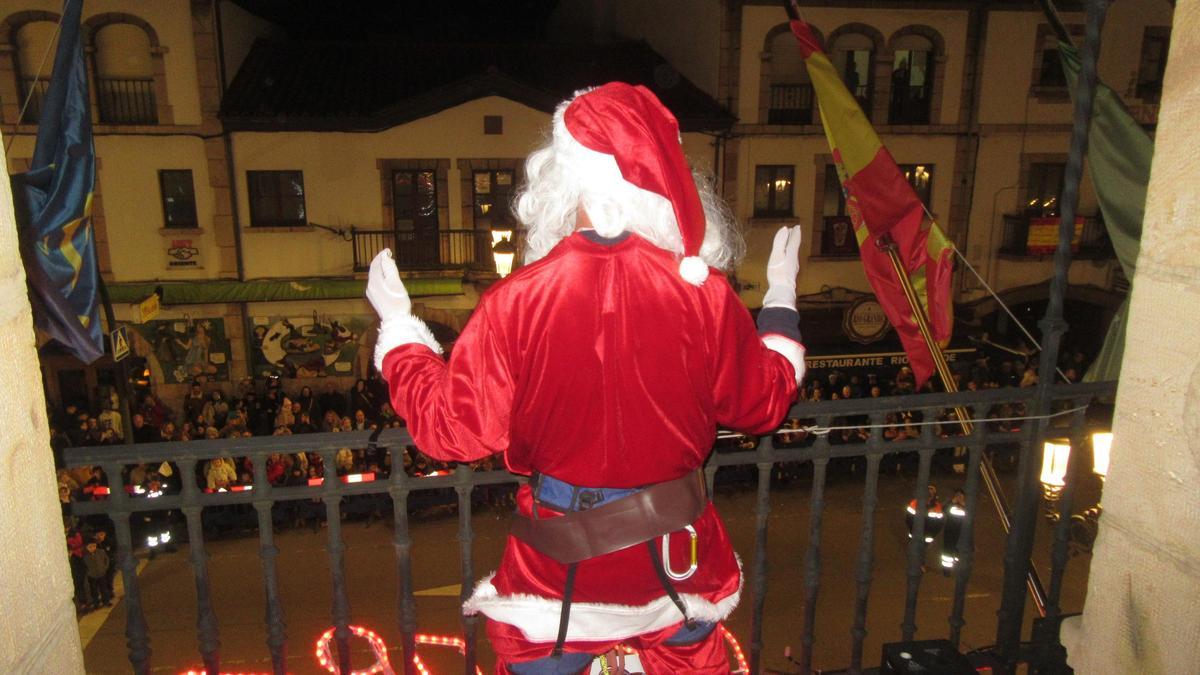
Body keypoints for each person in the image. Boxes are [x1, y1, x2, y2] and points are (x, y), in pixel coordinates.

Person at [367, 83, 805, 673]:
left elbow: (455, 431)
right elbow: (764, 403)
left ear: (562, 179)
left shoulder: (515, 299)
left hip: (560, 568)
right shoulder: (703, 293)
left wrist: (400, 334)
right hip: (679, 562)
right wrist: (780, 300)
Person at [940, 489, 968, 576]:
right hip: (950, 530)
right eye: (957, 495)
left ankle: (959, 566)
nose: (959, 498)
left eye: (961, 496)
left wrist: (964, 506)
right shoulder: (950, 504)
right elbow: (943, 510)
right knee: (947, 552)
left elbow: (970, 516)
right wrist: (952, 502)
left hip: (961, 531)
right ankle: (946, 571)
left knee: (959, 550)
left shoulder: (966, 506)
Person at [83, 538, 112, 609]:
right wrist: (88, 572)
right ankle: (96, 603)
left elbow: (106, 559)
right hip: (92, 575)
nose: (92, 548)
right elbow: (84, 566)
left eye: (94, 546)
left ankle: (106, 601)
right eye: (90, 547)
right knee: (94, 590)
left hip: (101, 573)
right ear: (86, 547)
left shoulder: (101, 552)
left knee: (104, 588)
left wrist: (105, 567)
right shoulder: (85, 556)